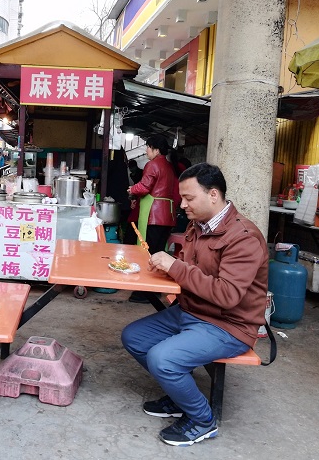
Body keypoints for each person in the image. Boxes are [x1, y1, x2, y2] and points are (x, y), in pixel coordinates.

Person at [121, 163, 269, 447]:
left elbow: (228, 295)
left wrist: (176, 268)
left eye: (189, 198)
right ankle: (180, 395)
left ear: (213, 195)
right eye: (182, 198)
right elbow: (192, 269)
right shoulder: (196, 226)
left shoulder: (244, 238)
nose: (182, 204)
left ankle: (203, 420)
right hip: (192, 310)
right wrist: (170, 268)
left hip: (228, 324)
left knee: (162, 359)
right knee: (134, 337)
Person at [126, 135, 177, 302]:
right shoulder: (169, 167)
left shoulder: (153, 164)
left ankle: (143, 292)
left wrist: (132, 189)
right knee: (159, 252)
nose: (146, 150)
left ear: (156, 149)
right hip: (167, 215)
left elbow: (145, 187)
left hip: (153, 216)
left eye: (148, 147)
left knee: (146, 252)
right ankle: (154, 289)